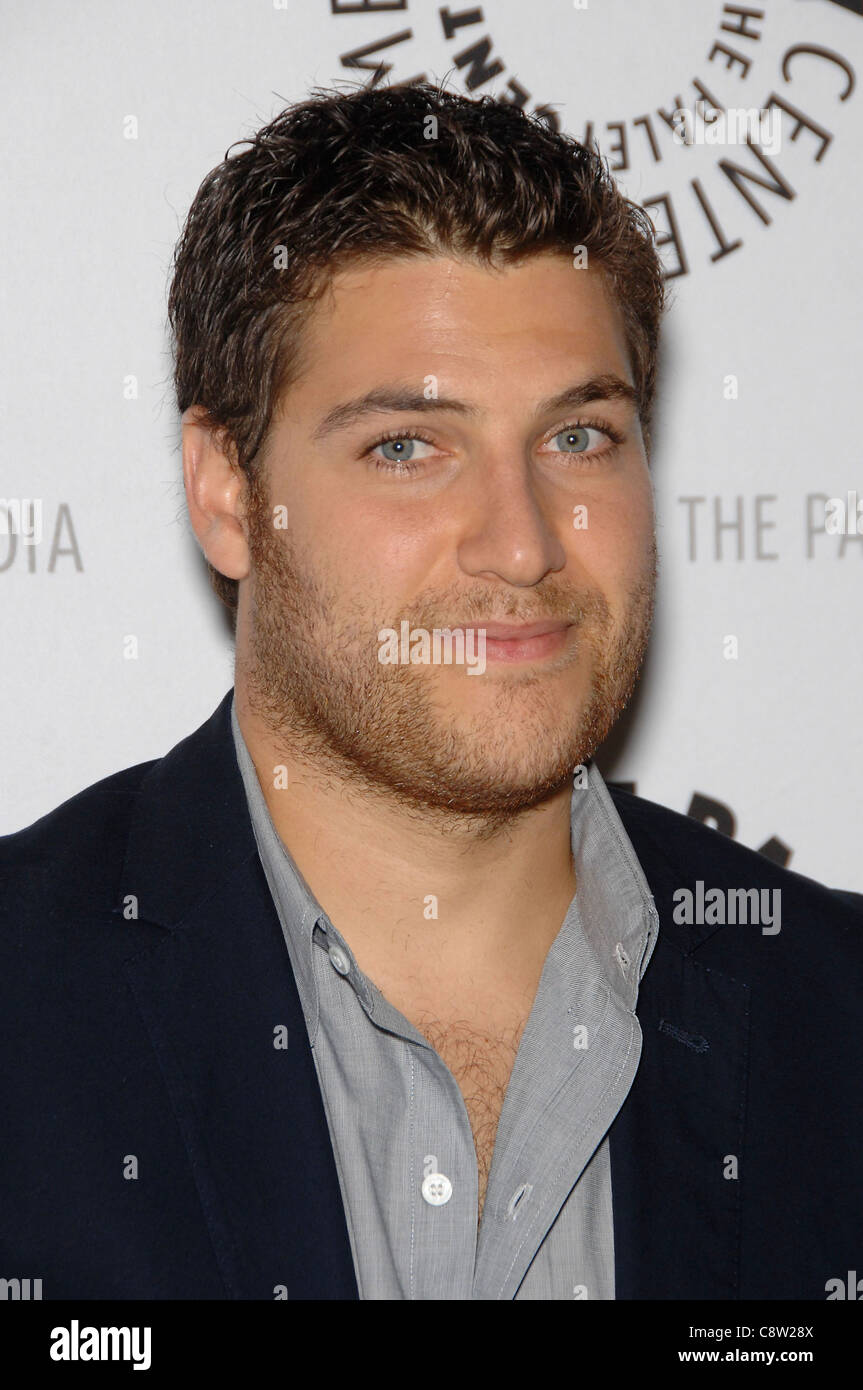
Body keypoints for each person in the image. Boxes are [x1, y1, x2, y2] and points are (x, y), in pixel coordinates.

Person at [1, 80, 861, 1302]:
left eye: (578, 438)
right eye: (406, 447)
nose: (520, 545)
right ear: (227, 493)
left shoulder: (831, 1013)